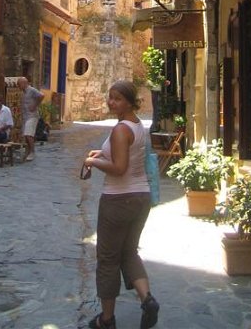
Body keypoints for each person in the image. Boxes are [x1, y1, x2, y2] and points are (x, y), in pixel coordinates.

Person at [83, 80, 160, 329]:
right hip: (141, 197)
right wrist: (102, 153)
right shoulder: (137, 125)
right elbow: (128, 155)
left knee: (108, 259)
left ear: (129, 102)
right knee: (129, 252)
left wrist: (92, 162)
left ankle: (106, 319)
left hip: (118, 199)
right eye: (110, 97)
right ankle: (147, 300)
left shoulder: (120, 129)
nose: (111, 102)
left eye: (117, 98)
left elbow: (119, 168)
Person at [18, 76, 44, 162]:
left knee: (28, 134)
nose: (18, 86)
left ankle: (32, 152)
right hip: (26, 116)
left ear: (24, 83)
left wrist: (35, 105)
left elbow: (41, 95)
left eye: (19, 84)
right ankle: (28, 151)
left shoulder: (31, 90)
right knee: (26, 135)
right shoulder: (23, 92)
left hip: (32, 116)